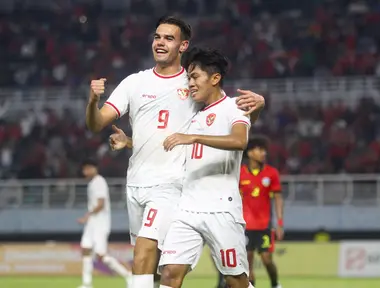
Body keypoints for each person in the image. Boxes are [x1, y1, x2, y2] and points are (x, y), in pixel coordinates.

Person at [87, 15, 264, 288]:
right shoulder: (136, 83)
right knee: (161, 271)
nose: (160, 42)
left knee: (145, 253)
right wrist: (96, 105)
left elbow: (229, 122)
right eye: (157, 36)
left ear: (183, 46)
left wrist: (260, 103)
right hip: (145, 187)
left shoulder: (195, 86)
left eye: (169, 38)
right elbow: (99, 124)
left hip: (177, 188)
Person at [155, 47, 259, 288]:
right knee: (169, 273)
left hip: (222, 209)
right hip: (187, 209)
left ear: (215, 78)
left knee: (236, 281)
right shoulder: (193, 115)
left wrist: (194, 138)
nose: (190, 83)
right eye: (188, 78)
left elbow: (239, 141)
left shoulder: (234, 107)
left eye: (194, 77)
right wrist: (128, 142)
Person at [78, 159, 131, 288]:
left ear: (92, 168)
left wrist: (87, 216)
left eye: (86, 169)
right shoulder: (92, 183)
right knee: (85, 248)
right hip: (92, 222)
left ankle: (128, 274)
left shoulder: (99, 182)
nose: (84, 172)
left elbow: (101, 204)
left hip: (100, 223)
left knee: (101, 255)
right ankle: (87, 283)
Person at [239, 136, 284, 288]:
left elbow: (278, 198)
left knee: (267, 260)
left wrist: (279, 223)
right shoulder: (240, 173)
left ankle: (275, 283)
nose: (264, 153)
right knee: (248, 262)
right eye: (260, 150)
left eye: (264, 150)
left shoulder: (271, 173)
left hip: (264, 225)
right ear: (250, 153)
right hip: (245, 226)